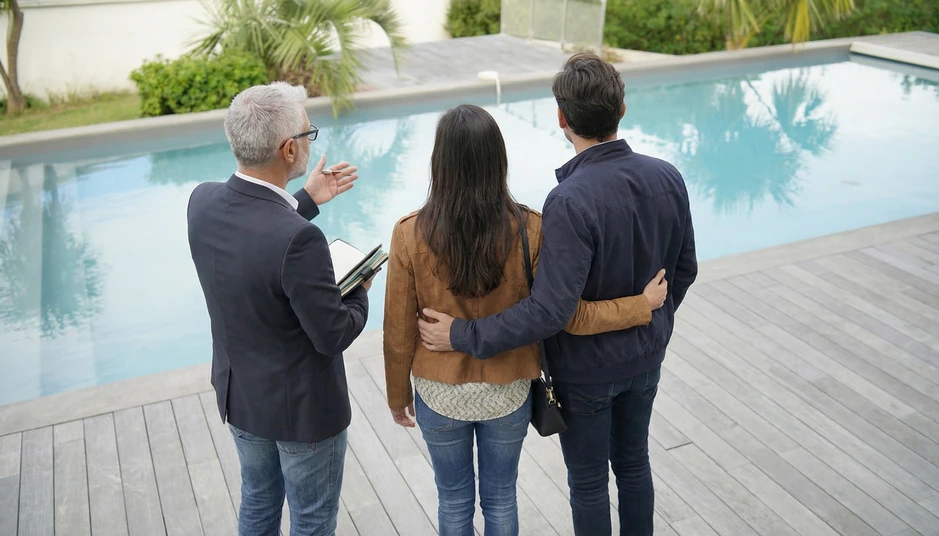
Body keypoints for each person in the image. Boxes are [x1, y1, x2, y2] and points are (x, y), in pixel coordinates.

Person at [418, 55, 698, 536]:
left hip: (587, 376)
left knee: (589, 483)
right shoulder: (667, 175)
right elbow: (685, 271)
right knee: (634, 465)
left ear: (562, 118)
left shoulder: (569, 200)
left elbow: (550, 311)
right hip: (647, 358)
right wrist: (648, 318)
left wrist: (463, 334)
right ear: (622, 108)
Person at [187, 82, 372, 536]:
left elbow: (256, 241)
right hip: (303, 415)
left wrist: (304, 201)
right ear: (289, 149)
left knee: (258, 504)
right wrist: (359, 288)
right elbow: (331, 335)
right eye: (310, 135)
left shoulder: (202, 202)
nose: (312, 142)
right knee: (310, 520)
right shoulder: (297, 238)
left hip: (241, 398)